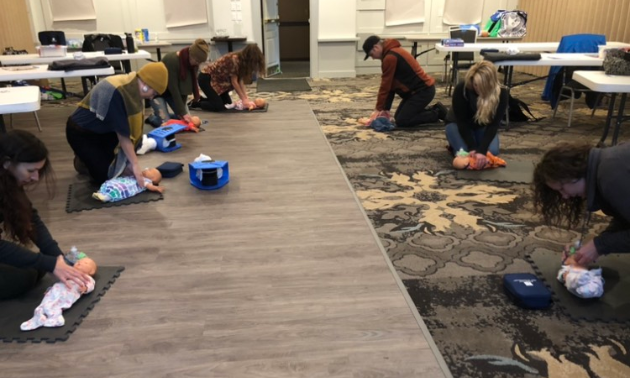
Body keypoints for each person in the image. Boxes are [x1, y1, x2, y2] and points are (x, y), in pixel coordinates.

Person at [0, 130, 92, 300]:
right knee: (25, 277)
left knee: (35, 266)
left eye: (38, 171)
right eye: (30, 171)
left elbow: (31, 217)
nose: (35, 177)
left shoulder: (7, 178)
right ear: (7, 163)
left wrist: (57, 258)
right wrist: (50, 263)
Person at [66, 62, 168, 186]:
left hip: (104, 131)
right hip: (81, 132)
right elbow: (124, 136)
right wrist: (135, 165)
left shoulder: (132, 91)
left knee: (113, 167)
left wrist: (131, 165)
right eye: (154, 93)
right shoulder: (116, 90)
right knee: (104, 178)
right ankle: (83, 158)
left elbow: (127, 130)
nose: (152, 98)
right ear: (146, 85)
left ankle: (86, 159)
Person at [533, 142, 630, 266]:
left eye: (562, 188)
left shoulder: (610, 177)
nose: (564, 196)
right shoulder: (606, 165)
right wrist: (597, 243)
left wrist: (599, 245)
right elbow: (625, 217)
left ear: (572, 174)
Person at [362, 35, 446, 128]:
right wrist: (385, 109)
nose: (373, 58)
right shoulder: (391, 53)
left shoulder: (390, 57)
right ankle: (428, 110)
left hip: (423, 92)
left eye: (371, 55)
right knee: (398, 118)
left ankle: (436, 112)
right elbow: (391, 87)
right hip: (414, 93)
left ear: (376, 47)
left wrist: (378, 109)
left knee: (403, 121)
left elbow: (385, 86)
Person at [444, 61, 508, 169]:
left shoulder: (502, 93)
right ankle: (454, 144)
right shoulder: (462, 89)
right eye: (475, 85)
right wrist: (472, 147)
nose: (478, 89)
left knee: (492, 151)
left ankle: (472, 145)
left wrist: (482, 150)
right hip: (457, 124)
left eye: (482, 86)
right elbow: (462, 122)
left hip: (481, 125)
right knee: (464, 152)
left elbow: (494, 125)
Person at [21, 257, 97, 331]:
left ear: (91, 271)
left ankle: (56, 319)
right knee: (43, 304)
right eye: (79, 261)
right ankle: (38, 317)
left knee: (56, 306)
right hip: (56, 290)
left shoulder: (87, 277)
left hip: (67, 294)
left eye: (85, 263)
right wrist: (50, 289)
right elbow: (60, 281)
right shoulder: (69, 272)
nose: (80, 262)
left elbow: (91, 285)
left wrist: (85, 288)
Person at [146, 39, 209, 127]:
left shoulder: (193, 65)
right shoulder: (171, 60)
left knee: (184, 120)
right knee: (166, 124)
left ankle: (164, 116)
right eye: (197, 61)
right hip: (157, 92)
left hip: (171, 94)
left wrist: (182, 113)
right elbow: (173, 88)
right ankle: (153, 118)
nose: (197, 64)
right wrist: (182, 112)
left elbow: (185, 89)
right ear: (191, 56)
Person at [192, 44, 265, 112]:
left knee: (227, 104)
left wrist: (246, 98)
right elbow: (234, 82)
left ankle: (206, 99)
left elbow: (240, 81)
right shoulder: (234, 60)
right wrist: (243, 99)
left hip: (218, 82)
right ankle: (196, 103)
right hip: (206, 78)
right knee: (219, 107)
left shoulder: (242, 62)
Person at [92, 167, 164, 202]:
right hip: (124, 181)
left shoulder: (146, 181)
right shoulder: (139, 174)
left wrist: (156, 188)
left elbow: (149, 186)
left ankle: (106, 197)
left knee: (119, 188)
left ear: (153, 179)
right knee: (112, 183)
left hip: (128, 185)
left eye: (150, 170)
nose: (147, 169)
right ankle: (101, 192)